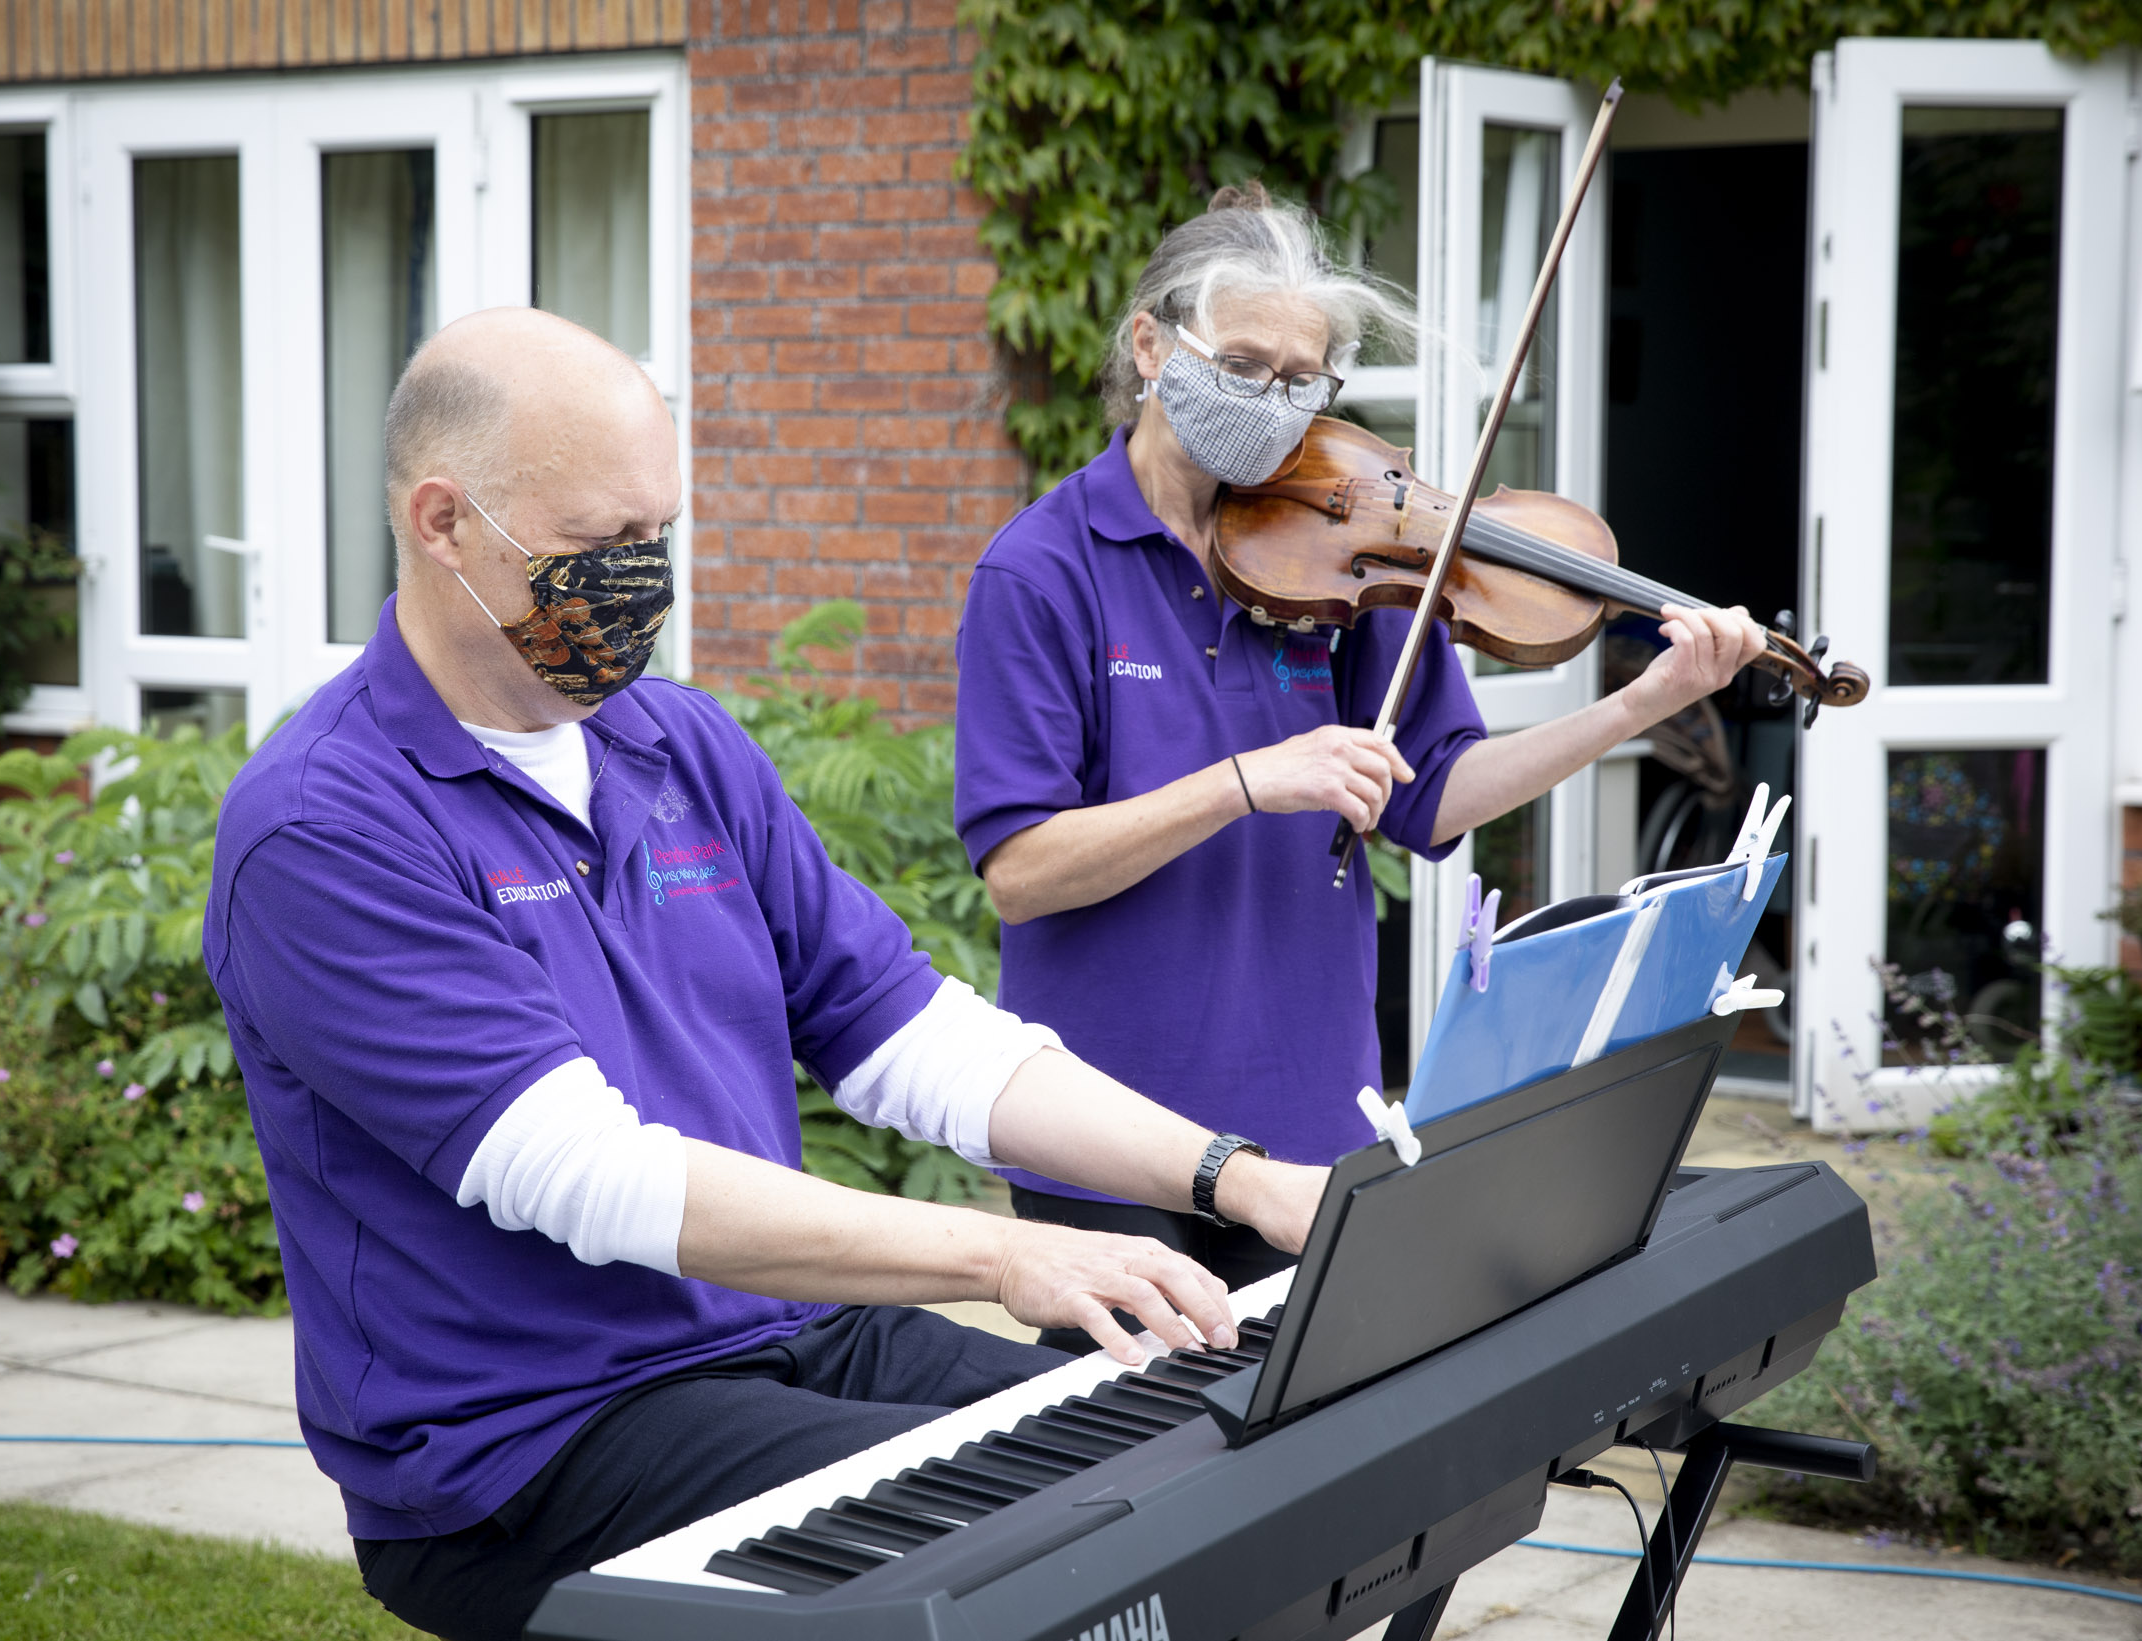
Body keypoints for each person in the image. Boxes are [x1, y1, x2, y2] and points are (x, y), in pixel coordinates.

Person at [203, 307, 1326, 1641]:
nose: (638, 578)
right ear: (441, 522)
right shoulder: (324, 824)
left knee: (1183, 1445)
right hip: (526, 1442)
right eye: (594, 547)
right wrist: (1001, 1259)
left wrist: (1239, 1178)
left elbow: (908, 1032)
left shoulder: (678, 746)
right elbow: (589, 1177)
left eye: (656, 536)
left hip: (770, 1333)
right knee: (1054, 1544)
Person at [953, 186, 1765, 1343]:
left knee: (1299, 1457)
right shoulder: (1040, 572)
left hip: (1305, 1107)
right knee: (1128, 1468)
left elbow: (1434, 797)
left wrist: (1643, 701)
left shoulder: (1342, 553)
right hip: (1105, 1124)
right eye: (1243, 362)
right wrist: (1248, 780)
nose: (1273, 404)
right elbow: (1022, 871)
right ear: (1150, 345)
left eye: (1304, 380)